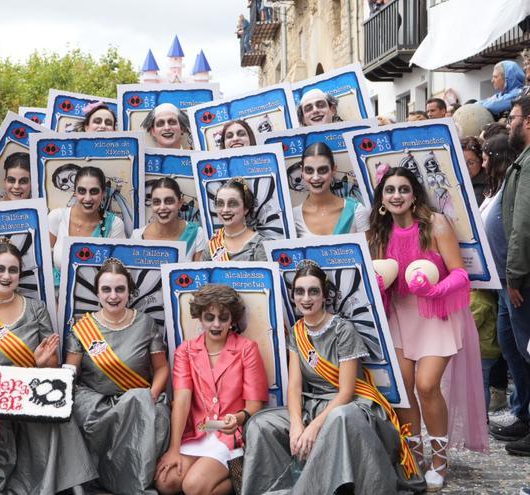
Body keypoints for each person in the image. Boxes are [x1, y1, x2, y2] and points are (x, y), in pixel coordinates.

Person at [243, 262, 425, 494]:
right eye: (300, 291)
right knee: (260, 424)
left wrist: (313, 428)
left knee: (337, 417)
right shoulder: (298, 331)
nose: (306, 298)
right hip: (313, 404)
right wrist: (298, 424)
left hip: (351, 407)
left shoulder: (343, 330)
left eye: (313, 291)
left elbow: (347, 392)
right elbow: (295, 387)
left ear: (325, 296)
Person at [369, 166, 488, 491]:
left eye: (403, 189)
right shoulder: (379, 231)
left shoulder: (435, 223)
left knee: (426, 384)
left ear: (414, 193)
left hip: (435, 314)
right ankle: (413, 455)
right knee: (403, 387)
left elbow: (460, 274)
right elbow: (380, 279)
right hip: (399, 317)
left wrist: (434, 290)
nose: (396, 196)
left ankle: (439, 458)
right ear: (382, 198)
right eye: (389, 190)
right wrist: (378, 286)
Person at [0, 240, 97, 494]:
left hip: (30, 401)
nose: (6, 276)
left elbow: (52, 371)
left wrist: (40, 364)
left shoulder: (37, 309)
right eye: (0, 269)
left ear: (20, 274)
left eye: (13, 270)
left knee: (59, 413)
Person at [64, 258, 170, 494]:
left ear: (129, 292)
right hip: (95, 402)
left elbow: (162, 369)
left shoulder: (145, 323)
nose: (113, 295)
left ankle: (132, 485)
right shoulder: (83, 327)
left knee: (153, 411)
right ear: (97, 293)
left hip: (136, 399)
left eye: (120, 289)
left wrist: (151, 395)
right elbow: (71, 372)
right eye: (106, 289)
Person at [155, 284, 268, 495]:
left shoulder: (247, 349)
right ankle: (237, 480)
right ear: (200, 317)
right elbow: (182, 400)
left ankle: (240, 476)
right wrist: (173, 449)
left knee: (193, 486)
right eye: (209, 317)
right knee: (165, 482)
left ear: (232, 319)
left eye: (223, 318)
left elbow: (255, 405)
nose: (216, 324)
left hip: (232, 435)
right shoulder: (185, 351)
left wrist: (238, 418)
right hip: (198, 433)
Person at [496, 96, 530, 457]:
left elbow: (523, 223)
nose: (510, 124)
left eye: (515, 118)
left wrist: (516, 275)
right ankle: (523, 413)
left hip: (521, 281)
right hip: (512, 280)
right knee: (515, 349)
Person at [49, 166, 126, 283]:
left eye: (94, 191)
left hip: (97, 298)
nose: (88, 198)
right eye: (82, 191)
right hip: (57, 296)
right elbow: (43, 263)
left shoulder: (114, 224)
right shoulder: (57, 218)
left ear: (103, 193)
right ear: (75, 192)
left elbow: (118, 272)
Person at [293, 142, 370, 237]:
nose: (316, 177)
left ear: (334, 170)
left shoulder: (356, 211)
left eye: (322, 170)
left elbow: (369, 251)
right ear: (302, 172)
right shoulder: (293, 217)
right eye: (309, 170)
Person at [132, 178, 207, 261]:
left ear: (180, 203)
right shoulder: (137, 237)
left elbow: (198, 273)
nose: (162, 207)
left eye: (169, 201)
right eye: (157, 202)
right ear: (151, 204)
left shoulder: (196, 234)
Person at [201, 178, 267, 262]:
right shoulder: (212, 245)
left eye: (232, 204)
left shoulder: (260, 245)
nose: (225, 210)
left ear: (246, 208)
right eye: (220, 204)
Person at [460, 136, 487, 207]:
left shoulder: (483, 190)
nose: (465, 168)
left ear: (481, 161)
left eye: (471, 163)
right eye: (461, 162)